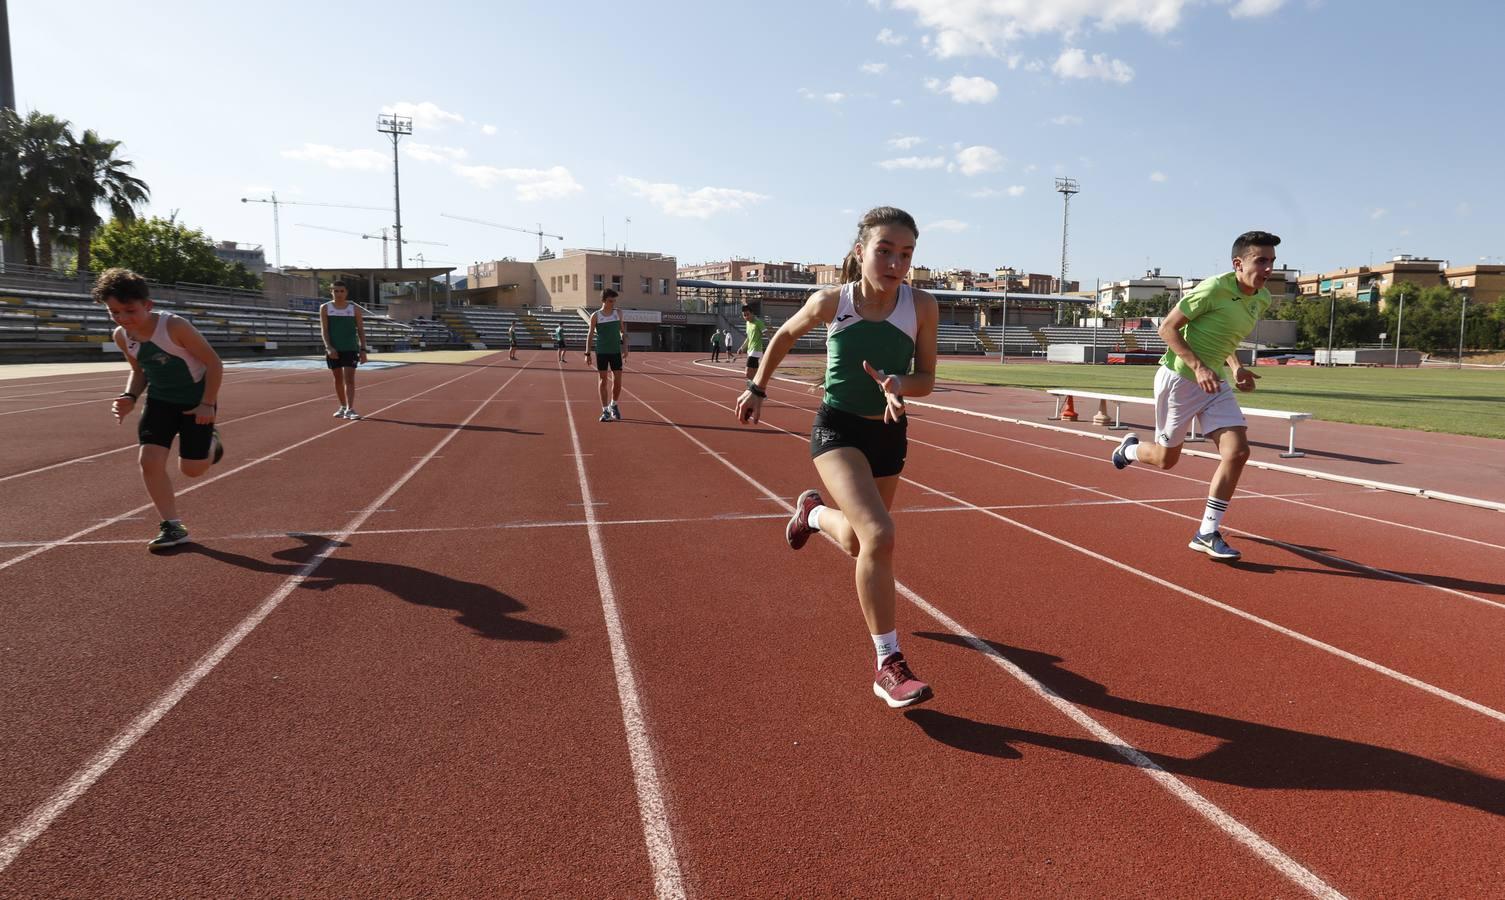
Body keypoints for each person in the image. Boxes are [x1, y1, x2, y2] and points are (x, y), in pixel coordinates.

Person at [735, 206, 938, 709]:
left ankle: (812, 513)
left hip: (889, 433)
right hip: (838, 429)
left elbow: (927, 379)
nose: (895, 263)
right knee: (881, 535)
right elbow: (783, 336)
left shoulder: (922, 306)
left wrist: (899, 384)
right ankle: (888, 663)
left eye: (906, 254)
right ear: (860, 252)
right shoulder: (833, 301)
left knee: (855, 540)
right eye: (885, 251)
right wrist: (757, 386)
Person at [1110, 230, 1280, 562]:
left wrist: (1235, 367)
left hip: (1214, 382)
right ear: (1238, 263)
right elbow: (1167, 328)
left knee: (1238, 452)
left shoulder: (1262, 298)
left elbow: (1226, 337)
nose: (1268, 268)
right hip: (1180, 380)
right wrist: (1199, 366)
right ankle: (1129, 449)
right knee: (1165, 460)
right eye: (1261, 260)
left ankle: (1206, 532)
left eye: (1272, 261)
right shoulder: (1214, 289)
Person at [96, 267, 225, 551]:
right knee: (149, 460)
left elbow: (214, 364)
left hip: (196, 401)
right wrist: (129, 396)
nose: (122, 318)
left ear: (147, 305)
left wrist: (207, 403)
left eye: (129, 311)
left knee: (192, 470)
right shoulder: (122, 335)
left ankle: (212, 445)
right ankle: (172, 526)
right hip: (160, 401)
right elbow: (139, 370)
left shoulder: (174, 327)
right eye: (114, 312)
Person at [320, 280, 368, 420]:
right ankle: (342, 406)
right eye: (336, 291)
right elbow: (324, 329)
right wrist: (329, 347)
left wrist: (363, 349)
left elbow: (360, 330)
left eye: (341, 291)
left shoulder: (354, 309)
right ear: (331, 292)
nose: (339, 294)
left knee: (350, 379)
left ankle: (350, 409)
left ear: (346, 292)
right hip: (334, 349)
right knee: (338, 379)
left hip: (350, 347)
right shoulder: (325, 308)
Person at [584, 288, 627, 422]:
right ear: (603, 301)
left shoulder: (618, 313)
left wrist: (625, 347)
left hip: (615, 351)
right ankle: (605, 410)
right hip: (602, 351)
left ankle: (613, 405)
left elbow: (622, 331)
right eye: (610, 301)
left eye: (614, 301)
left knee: (618, 381)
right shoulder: (596, 315)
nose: (613, 303)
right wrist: (587, 353)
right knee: (603, 381)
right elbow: (590, 334)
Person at [735, 305, 764, 377]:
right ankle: (755, 386)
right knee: (754, 372)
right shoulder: (747, 323)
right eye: (744, 315)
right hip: (750, 350)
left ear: (752, 313)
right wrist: (742, 348)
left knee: (747, 372)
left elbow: (767, 333)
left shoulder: (758, 322)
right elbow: (748, 338)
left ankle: (753, 386)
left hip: (756, 350)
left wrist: (772, 343)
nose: (746, 317)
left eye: (748, 314)